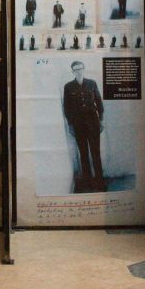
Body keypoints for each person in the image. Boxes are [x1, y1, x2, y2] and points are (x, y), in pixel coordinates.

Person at [63, 61, 105, 192]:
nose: (79, 71)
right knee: (83, 153)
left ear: (84, 69)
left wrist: (101, 120)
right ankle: (88, 182)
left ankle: (100, 182)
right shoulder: (68, 87)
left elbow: (99, 102)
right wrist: (70, 125)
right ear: (73, 72)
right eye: (76, 70)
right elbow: (67, 107)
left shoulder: (92, 83)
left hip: (93, 123)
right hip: (78, 125)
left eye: (80, 69)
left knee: (95, 153)